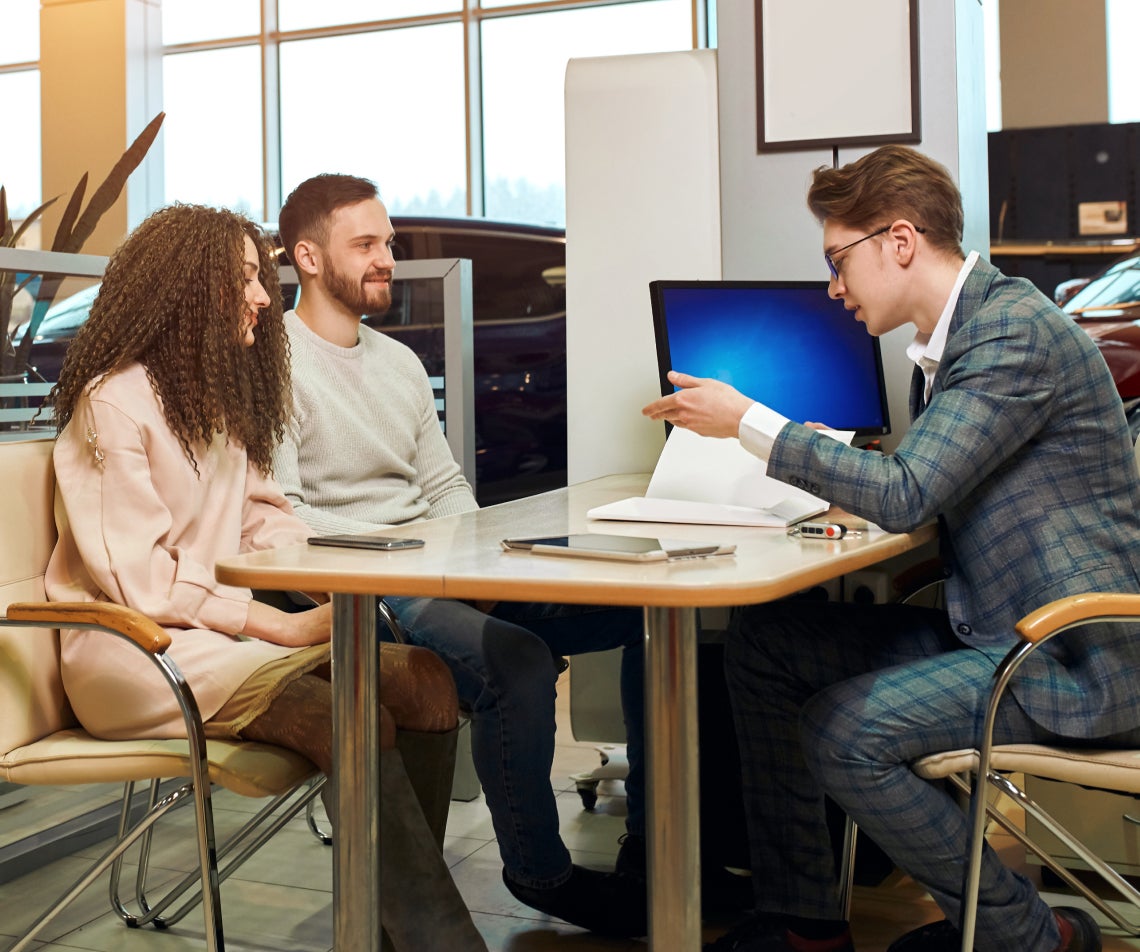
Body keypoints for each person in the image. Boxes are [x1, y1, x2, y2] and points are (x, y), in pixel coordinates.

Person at [643, 144, 1140, 952]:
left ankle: (1029, 933)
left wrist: (751, 423)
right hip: (998, 627)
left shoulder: (1011, 332)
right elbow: (936, 487)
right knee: (767, 644)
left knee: (846, 731)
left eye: (840, 262)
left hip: (1067, 656)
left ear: (899, 242)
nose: (835, 286)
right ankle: (805, 922)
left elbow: (911, 490)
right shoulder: (956, 341)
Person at [44, 203, 486, 951]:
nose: (261, 295)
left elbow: (265, 519)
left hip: (218, 646)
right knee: (348, 717)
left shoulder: (210, 400)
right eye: (245, 279)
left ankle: (390, 931)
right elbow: (140, 580)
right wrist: (277, 622)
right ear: (186, 289)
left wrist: (331, 580)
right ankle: (440, 943)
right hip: (139, 653)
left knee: (425, 680)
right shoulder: (112, 403)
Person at [272, 173, 651, 938]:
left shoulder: (397, 361)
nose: (388, 258)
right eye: (367, 245)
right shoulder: (275, 364)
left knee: (648, 611)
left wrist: (485, 565)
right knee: (518, 662)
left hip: (441, 566)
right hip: (374, 585)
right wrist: (410, 569)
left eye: (387, 242)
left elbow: (443, 482)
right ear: (307, 257)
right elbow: (285, 513)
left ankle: (658, 840)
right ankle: (540, 872)